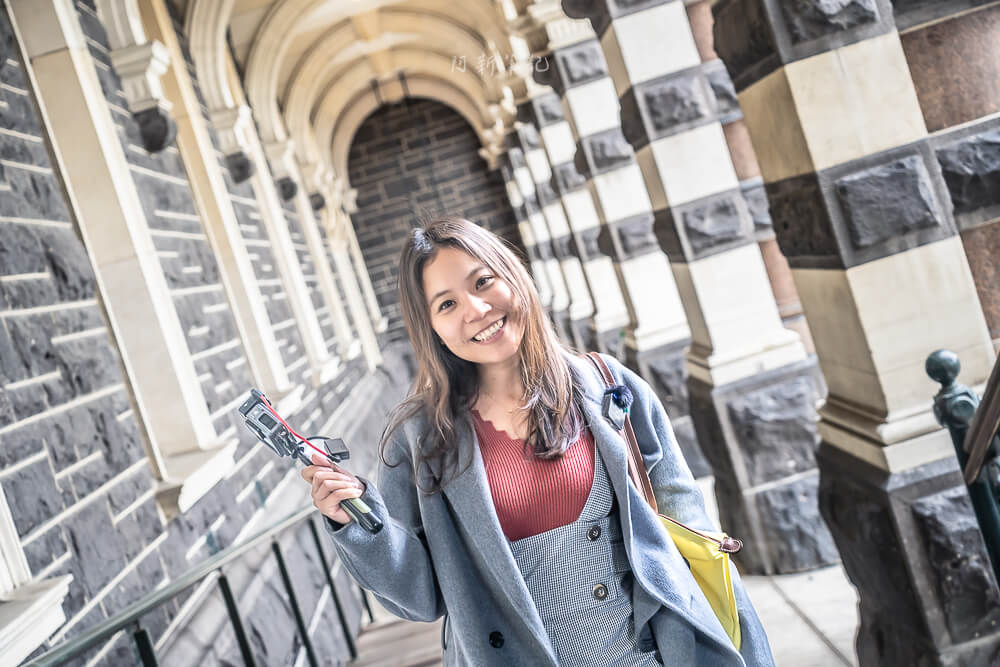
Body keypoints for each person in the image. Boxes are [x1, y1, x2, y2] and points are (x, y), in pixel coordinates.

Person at [301, 216, 775, 666]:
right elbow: (420, 598)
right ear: (433, 331)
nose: (476, 310)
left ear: (514, 276)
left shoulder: (608, 386)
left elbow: (682, 511)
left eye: (483, 282)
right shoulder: (420, 439)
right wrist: (358, 525)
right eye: (446, 304)